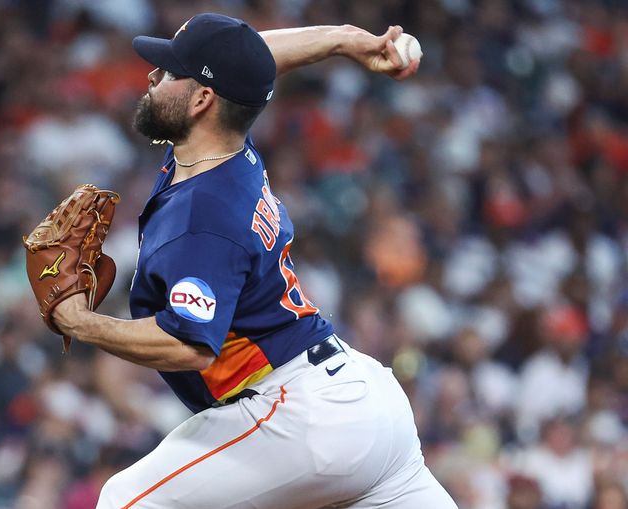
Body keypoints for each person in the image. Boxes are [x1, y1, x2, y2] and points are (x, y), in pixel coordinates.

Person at [53, 12, 457, 509]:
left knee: (129, 499)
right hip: (366, 403)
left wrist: (81, 323)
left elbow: (188, 344)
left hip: (300, 417)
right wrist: (344, 39)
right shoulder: (224, 146)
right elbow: (252, 61)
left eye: (168, 72)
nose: (153, 77)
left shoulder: (202, 214)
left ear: (202, 100)